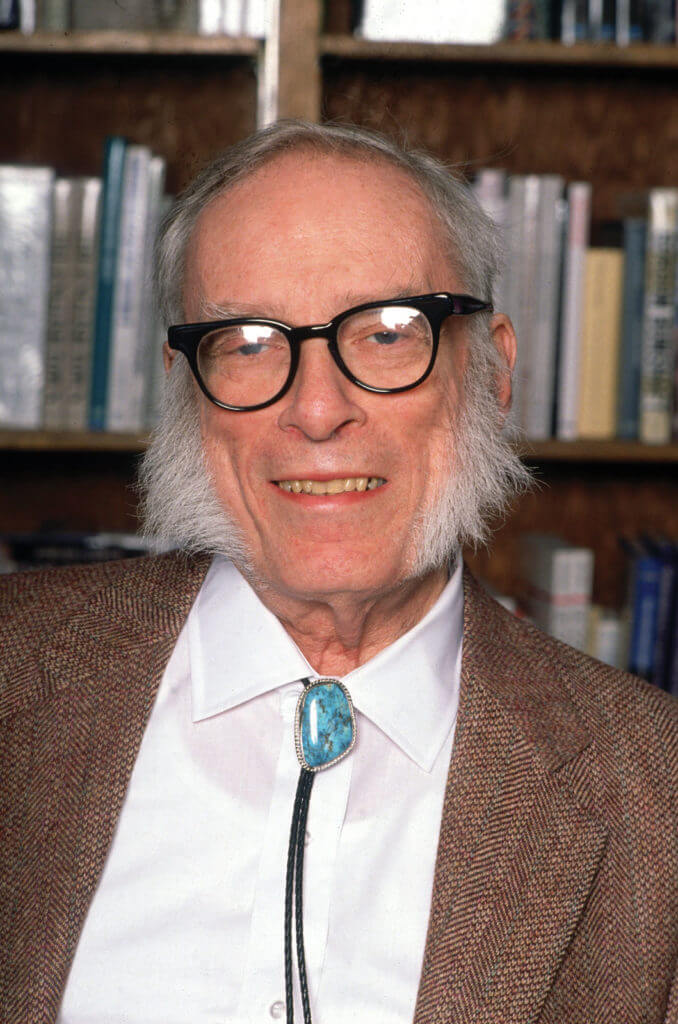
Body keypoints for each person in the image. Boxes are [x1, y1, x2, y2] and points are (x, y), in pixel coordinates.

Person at [1, 120, 677, 1024]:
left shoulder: (655, 793)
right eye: (247, 342)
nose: (318, 411)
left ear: (492, 371)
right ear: (185, 389)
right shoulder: (16, 667)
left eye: (389, 334)